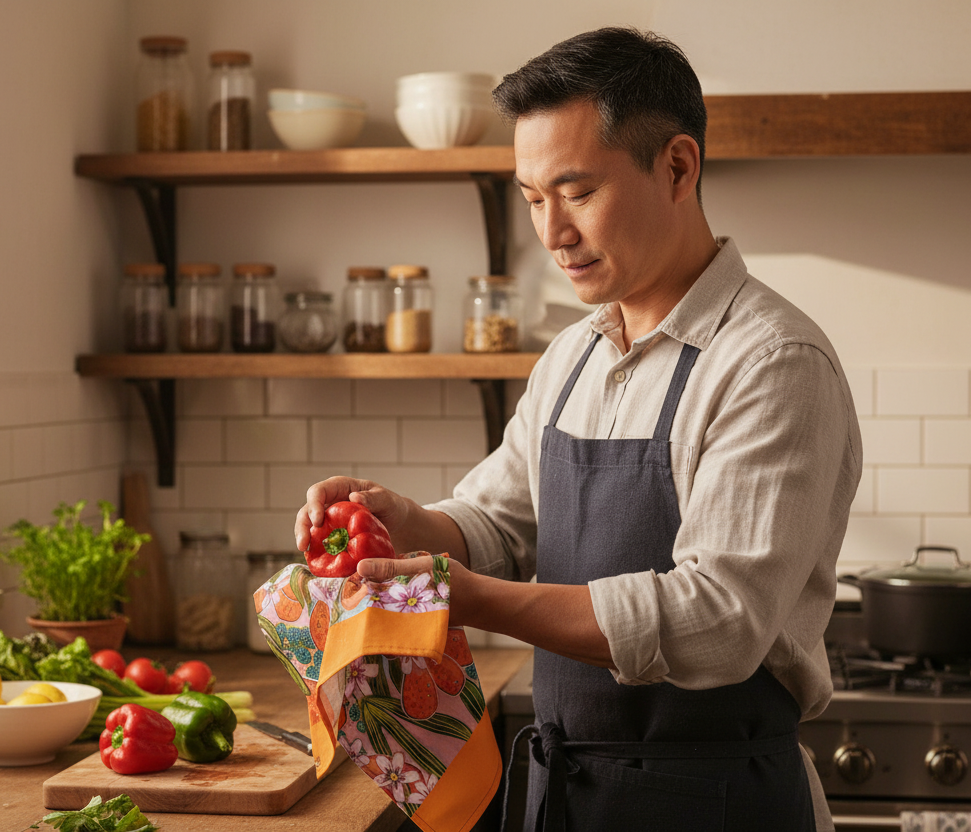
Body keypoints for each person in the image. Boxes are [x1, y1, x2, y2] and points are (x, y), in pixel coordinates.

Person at [295, 26, 860, 832]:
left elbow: (720, 620)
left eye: (578, 192)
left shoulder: (772, 361)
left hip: (716, 803)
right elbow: (500, 518)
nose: (551, 233)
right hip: (566, 798)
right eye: (532, 198)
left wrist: (467, 599)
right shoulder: (573, 355)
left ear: (677, 167)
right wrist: (406, 527)